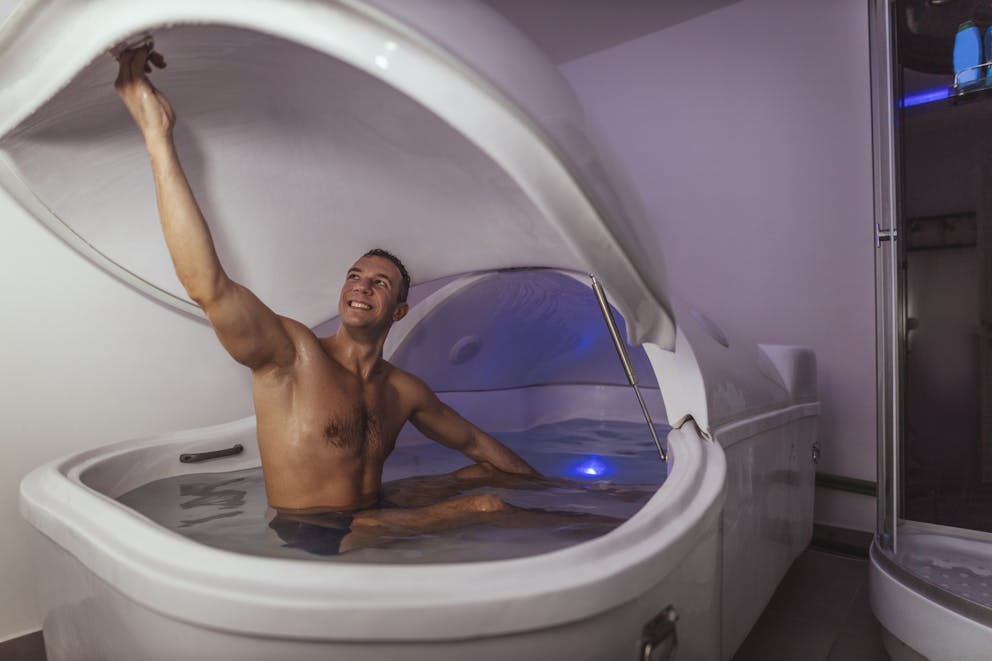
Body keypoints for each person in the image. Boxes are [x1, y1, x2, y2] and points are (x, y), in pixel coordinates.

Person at [113, 46, 540, 553]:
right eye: (355, 276)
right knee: (486, 506)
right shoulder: (293, 355)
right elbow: (208, 286)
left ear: (399, 310)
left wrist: (543, 483)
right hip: (311, 529)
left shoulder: (403, 390)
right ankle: (598, 539)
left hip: (369, 512)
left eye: (379, 283)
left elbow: (477, 444)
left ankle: (579, 511)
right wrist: (158, 137)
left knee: (479, 476)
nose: (361, 285)